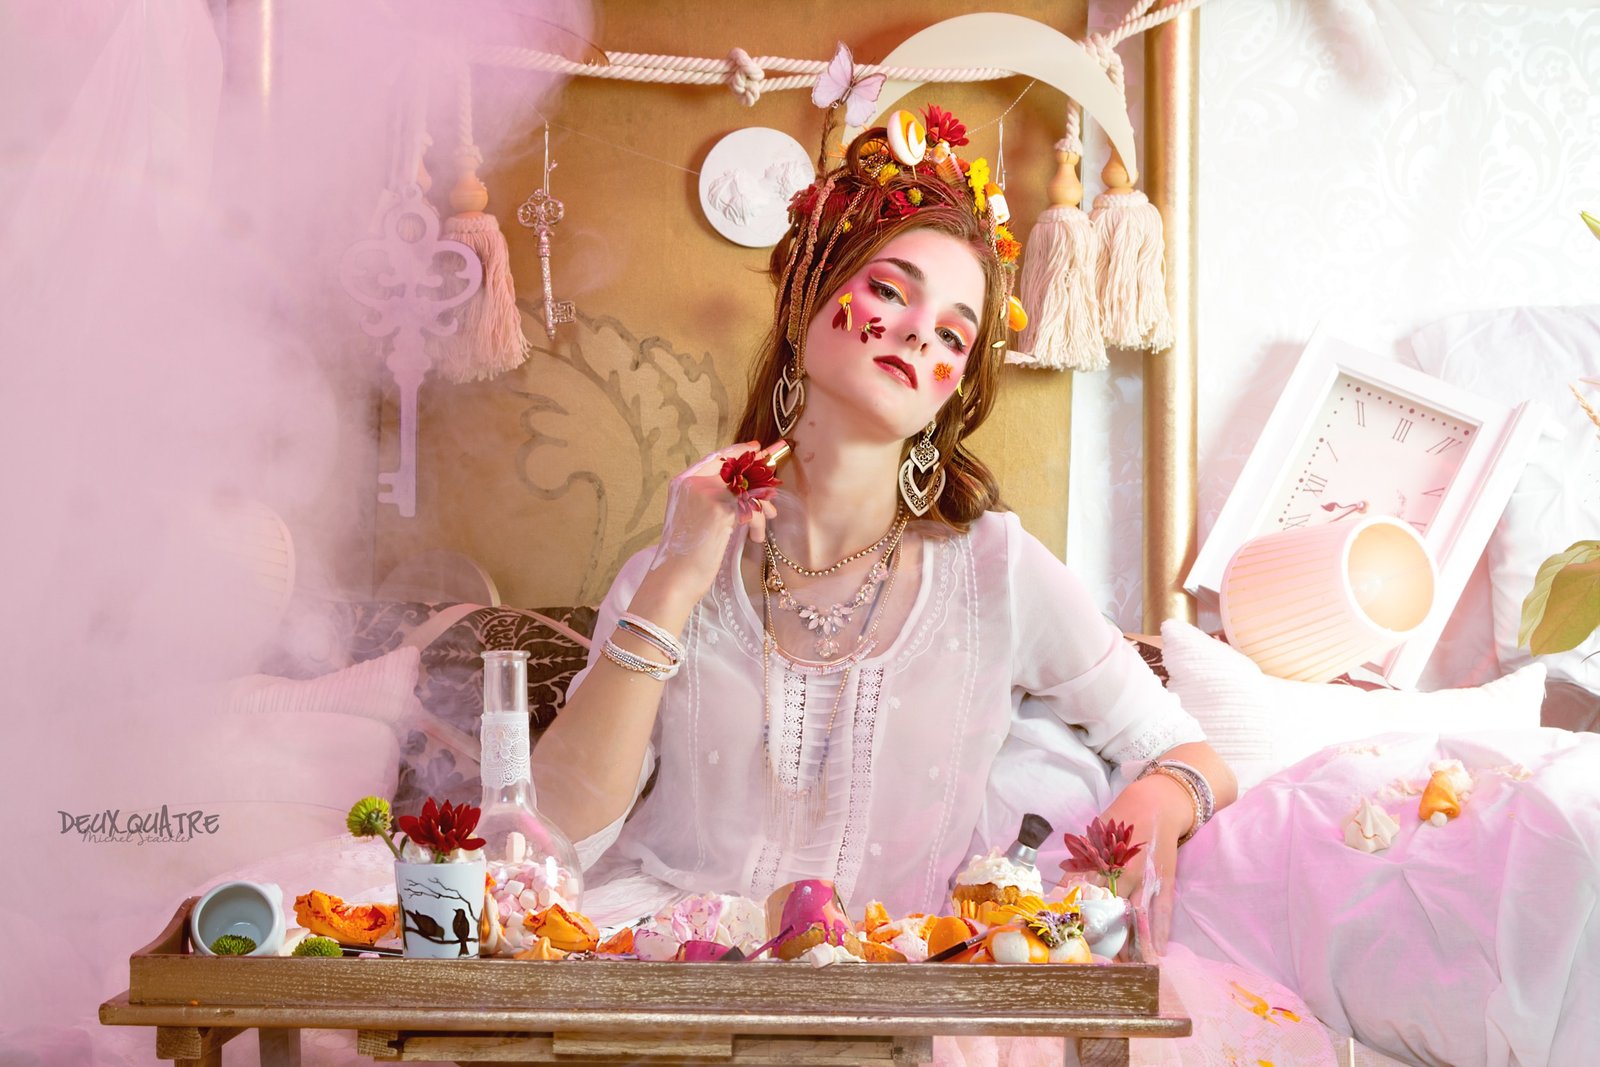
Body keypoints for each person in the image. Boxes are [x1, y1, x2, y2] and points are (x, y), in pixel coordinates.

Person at [529, 106, 1238, 934]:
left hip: (889, 982)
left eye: (953, 335)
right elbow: (555, 834)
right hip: (667, 960)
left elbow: (1189, 751)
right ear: (806, 298)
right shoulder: (676, 565)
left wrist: (1160, 796)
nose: (916, 333)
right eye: (892, 291)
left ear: (953, 389)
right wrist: (674, 583)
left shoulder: (995, 570)